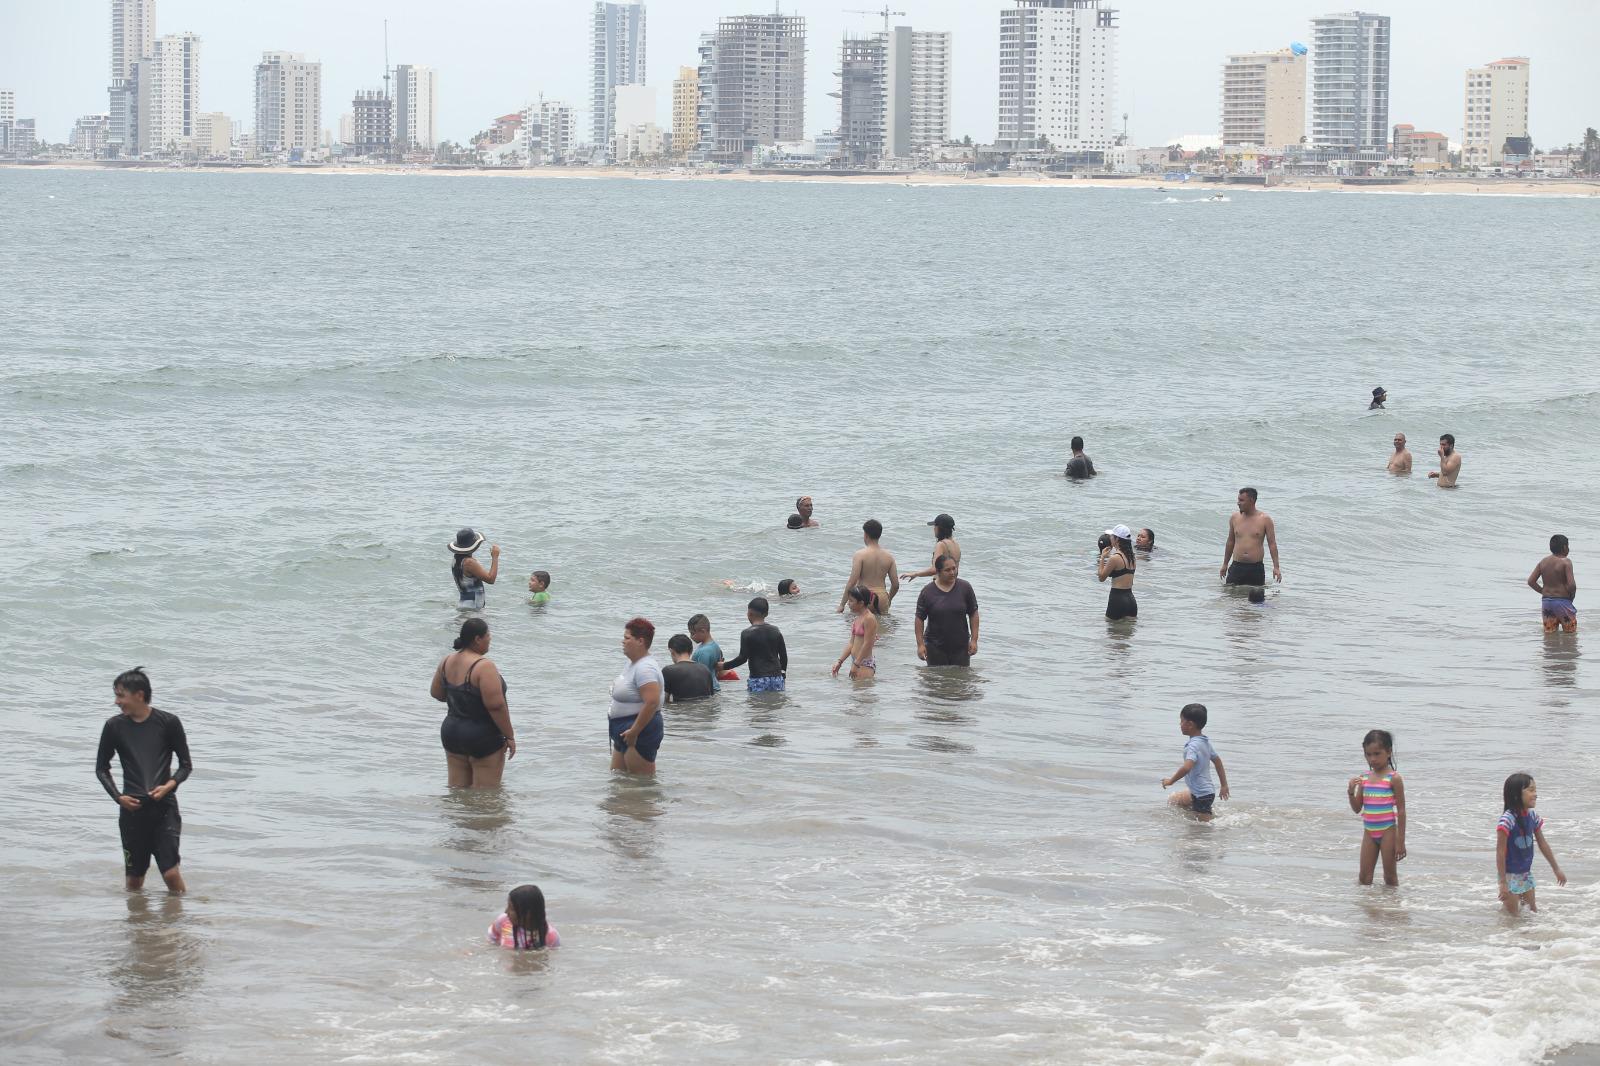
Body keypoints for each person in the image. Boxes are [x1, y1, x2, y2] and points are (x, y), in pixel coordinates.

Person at [96, 667, 192, 894]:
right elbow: (101, 768)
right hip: (132, 812)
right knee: (134, 881)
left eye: (120, 695)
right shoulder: (113, 727)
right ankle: (138, 925)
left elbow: (186, 765)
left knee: (170, 873)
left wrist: (169, 785)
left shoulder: (169, 722)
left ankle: (179, 923)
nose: (116, 701)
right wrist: (119, 798)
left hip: (164, 809)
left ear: (139, 695)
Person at [430, 618, 514, 789]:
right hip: (482, 736)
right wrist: (510, 736)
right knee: (486, 796)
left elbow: (436, 693)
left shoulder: (446, 661)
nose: (490, 638)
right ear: (477, 639)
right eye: (488, 635)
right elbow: (496, 706)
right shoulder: (484, 666)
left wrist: (462, 698)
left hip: (452, 733)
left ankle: (458, 816)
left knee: (457, 792)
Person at [1496, 772, 1566, 915]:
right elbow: (1500, 852)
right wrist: (1502, 882)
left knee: (1532, 911)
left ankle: (1530, 937)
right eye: (1531, 790)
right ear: (1516, 795)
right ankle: (1504, 937)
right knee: (1512, 916)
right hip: (1510, 875)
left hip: (1525, 873)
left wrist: (1556, 869)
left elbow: (1542, 843)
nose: (1535, 794)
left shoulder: (1532, 816)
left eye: (1535, 790)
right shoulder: (1507, 820)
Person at [1346, 729, 1406, 886]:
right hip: (1369, 832)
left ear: (1388, 752)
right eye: (1368, 754)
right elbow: (1357, 808)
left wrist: (1401, 842)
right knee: (1364, 877)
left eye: (1377, 754)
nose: (1372, 759)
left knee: (1390, 877)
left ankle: (1393, 909)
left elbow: (1401, 811)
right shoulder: (1364, 778)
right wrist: (1351, 792)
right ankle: (1368, 907)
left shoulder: (1394, 778)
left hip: (1388, 831)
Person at [609, 618, 663, 775]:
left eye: (627, 638)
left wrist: (634, 731)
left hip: (638, 733)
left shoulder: (645, 668)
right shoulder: (633, 664)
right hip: (625, 732)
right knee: (619, 780)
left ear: (640, 641)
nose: (622, 641)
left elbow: (652, 702)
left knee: (640, 786)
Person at [1160, 703, 1229, 821]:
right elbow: (1217, 762)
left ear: (1190, 724)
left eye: (1181, 721)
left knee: (1203, 828)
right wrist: (1224, 785)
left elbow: (1187, 767)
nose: (1179, 724)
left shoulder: (1193, 746)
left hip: (1202, 795)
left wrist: (1171, 781)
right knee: (1175, 801)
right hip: (1203, 792)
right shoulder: (1205, 742)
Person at [913, 555, 980, 667]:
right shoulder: (927, 592)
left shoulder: (965, 588)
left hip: (961, 646)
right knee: (936, 681)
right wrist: (920, 645)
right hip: (934, 646)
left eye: (954, 568)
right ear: (938, 572)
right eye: (947, 570)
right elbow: (919, 619)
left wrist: (974, 640)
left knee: (960, 681)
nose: (952, 572)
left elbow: (973, 614)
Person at [722, 597, 788, 693]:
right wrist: (783, 673)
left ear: (749, 613)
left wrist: (724, 666)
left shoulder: (746, 633)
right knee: (775, 705)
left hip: (758, 678)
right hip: (777, 677)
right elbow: (783, 655)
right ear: (766, 614)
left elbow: (742, 658)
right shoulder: (776, 630)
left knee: (757, 706)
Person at [1219, 487, 1281, 586]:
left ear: (1251, 500)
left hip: (1256, 568)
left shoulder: (1265, 519)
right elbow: (1230, 542)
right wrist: (1225, 564)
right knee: (1231, 598)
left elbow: (1272, 544)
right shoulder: (1234, 518)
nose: (1238, 503)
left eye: (1241, 500)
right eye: (1238, 499)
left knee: (1256, 600)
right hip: (1237, 567)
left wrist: (1276, 567)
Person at [838, 519, 899, 615]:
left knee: (860, 627)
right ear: (879, 534)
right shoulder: (889, 557)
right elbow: (895, 585)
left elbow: (852, 581)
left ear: (865, 535)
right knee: (881, 628)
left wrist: (842, 604)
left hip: (864, 596)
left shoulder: (860, 555)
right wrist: (889, 599)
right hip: (882, 597)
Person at [1527, 534, 1577, 634]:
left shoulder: (1543, 562)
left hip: (1547, 603)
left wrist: (1544, 592)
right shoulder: (1566, 562)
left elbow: (1531, 581)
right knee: (1570, 633)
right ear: (1564, 547)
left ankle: (1551, 648)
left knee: (1550, 633)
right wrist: (1572, 595)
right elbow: (1572, 585)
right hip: (1563, 602)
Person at [488, 884, 560, 949]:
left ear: (528, 913)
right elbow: (491, 941)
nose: (506, 912)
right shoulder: (503, 921)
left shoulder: (551, 936)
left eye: (511, 908)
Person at [833, 585, 881, 679]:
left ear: (861, 603)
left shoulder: (869, 618)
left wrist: (856, 663)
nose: (848, 603)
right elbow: (851, 643)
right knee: (855, 691)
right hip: (856, 661)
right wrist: (839, 662)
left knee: (862, 692)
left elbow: (868, 644)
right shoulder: (857, 619)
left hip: (864, 663)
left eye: (851, 601)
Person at [449, 528, 499, 609]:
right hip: (473, 608)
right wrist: (495, 557)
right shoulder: (469, 563)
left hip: (465, 604)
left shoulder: (456, 560)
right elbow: (491, 579)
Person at [902, 514, 961, 583]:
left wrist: (915, 574)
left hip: (941, 585)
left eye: (935, 526)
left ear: (940, 528)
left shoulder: (941, 544)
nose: (934, 529)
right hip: (953, 584)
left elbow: (934, 570)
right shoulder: (956, 545)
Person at [1098, 524, 1138, 620]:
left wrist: (1102, 557)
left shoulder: (1115, 558)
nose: (1110, 538)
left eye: (1112, 536)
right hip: (1131, 601)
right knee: (1127, 633)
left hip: (1117, 599)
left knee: (1112, 633)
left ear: (1117, 539)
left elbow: (1101, 578)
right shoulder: (1132, 558)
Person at [662, 634, 716, 703]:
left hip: (681, 712)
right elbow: (711, 697)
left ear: (671, 651)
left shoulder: (668, 670)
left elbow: (664, 700)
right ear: (691, 650)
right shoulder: (705, 669)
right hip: (703, 711)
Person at [688, 613, 726, 691]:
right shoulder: (715, 646)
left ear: (703, 631)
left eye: (692, 633)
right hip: (714, 686)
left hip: (707, 689)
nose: (691, 636)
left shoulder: (704, 652)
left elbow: (701, 676)